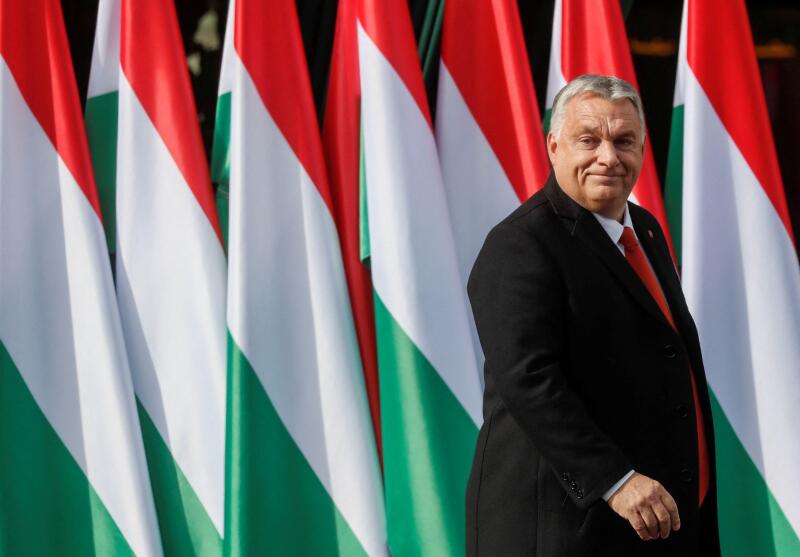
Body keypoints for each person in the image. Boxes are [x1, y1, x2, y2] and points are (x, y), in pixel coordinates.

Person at [465, 74, 720, 556]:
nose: (609, 156)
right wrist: (616, 479)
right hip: (563, 529)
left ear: (644, 149)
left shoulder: (644, 230)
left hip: (654, 523)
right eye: (590, 139)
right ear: (554, 145)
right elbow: (530, 381)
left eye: (625, 141)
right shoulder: (520, 244)